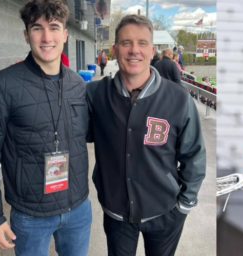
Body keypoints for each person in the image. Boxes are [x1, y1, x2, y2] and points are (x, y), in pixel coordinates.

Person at [0, 0, 91, 255]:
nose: (47, 37)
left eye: (55, 27)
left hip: (78, 209)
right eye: (37, 28)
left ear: (66, 34)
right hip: (30, 216)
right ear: (26, 35)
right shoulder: (2, 86)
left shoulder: (78, 85)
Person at [87, 14, 206, 256]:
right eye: (126, 43)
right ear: (114, 49)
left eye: (142, 43)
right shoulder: (95, 94)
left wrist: (185, 204)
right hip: (117, 213)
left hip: (165, 211)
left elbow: (194, 154)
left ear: (152, 51)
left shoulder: (178, 99)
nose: (134, 50)